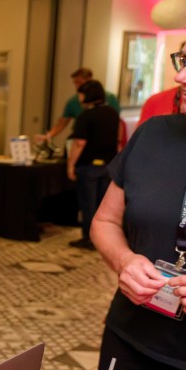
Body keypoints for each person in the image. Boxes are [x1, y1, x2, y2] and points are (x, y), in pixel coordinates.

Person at [90, 8, 186, 370]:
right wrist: (123, 261)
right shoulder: (154, 134)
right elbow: (104, 223)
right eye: (184, 59)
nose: (182, 76)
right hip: (133, 342)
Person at [66, 79, 119, 251]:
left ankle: (89, 239)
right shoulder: (111, 113)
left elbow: (79, 143)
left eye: (80, 93)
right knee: (102, 205)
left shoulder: (85, 116)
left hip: (89, 166)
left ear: (86, 95)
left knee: (88, 204)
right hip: (108, 166)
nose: (79, 97)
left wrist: (70, 164)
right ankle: (102, 239)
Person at [37, 67, 121, 144]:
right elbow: (62, 122)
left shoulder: (110, 99)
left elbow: (118, 122)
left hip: (103, 140)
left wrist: (119, 141)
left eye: (80, 82)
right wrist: (49, 135)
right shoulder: (73, 101)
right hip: (81, 139)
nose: (77, 87)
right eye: (75, 83)